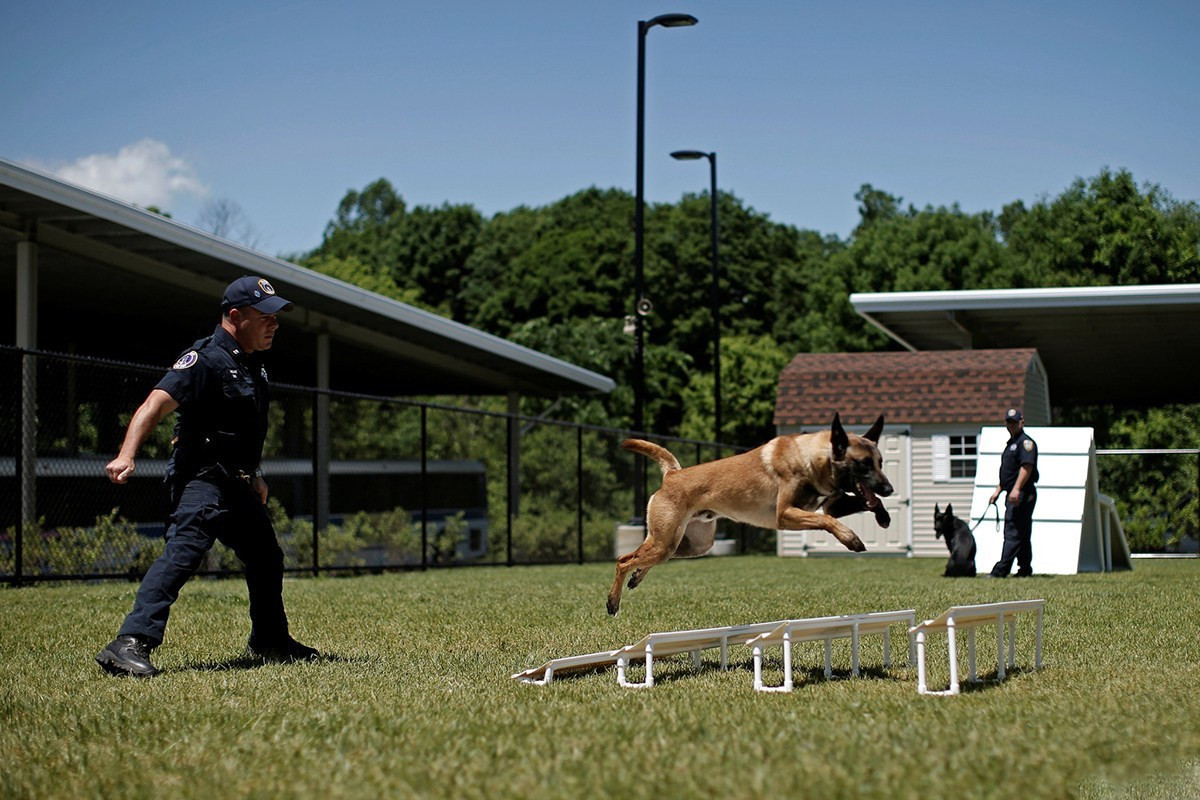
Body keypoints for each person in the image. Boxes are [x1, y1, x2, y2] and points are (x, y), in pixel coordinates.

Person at [96, 276, 319, 677]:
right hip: (202, 478)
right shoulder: (205, 359)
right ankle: (129, 643)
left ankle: (269, 639)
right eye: (265, 316)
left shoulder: (253, 365)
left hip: (237, 482)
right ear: (236, 316)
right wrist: (126, 455)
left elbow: (241, 430)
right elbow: (153, 405)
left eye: (276, 317)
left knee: (266, 556)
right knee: (183, 554)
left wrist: (255, 473)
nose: (274, 324)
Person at [988, 408, 1039, 578]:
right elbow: (1009, 472)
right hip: (1012, 491)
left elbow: (1027, 467)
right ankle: (1025, 569)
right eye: (1008, 422)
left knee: (1013, 530)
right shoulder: (1012, 443)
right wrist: (998, 490)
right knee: (1022, 532)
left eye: (1014, 422)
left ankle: (1000, 570)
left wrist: (1016, 489)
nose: (1011, 425)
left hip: (1022, 493)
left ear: (1022, 422)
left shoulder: (1026, 443)